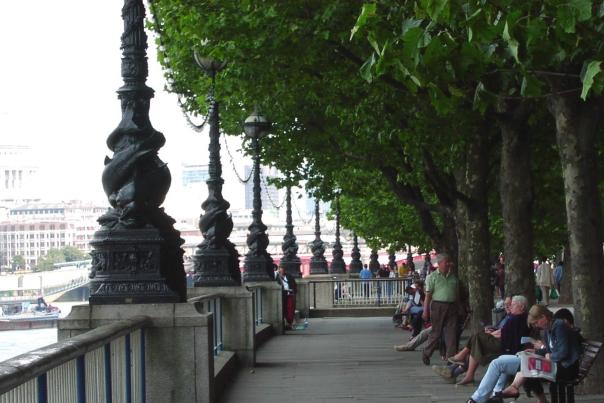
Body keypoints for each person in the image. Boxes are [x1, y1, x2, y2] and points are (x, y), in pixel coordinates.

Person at [466, 305, 582, 403]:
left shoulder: (559, 326)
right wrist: (537, 352)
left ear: (543, 317)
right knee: (523, 360)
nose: (536, 326)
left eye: (536, 322)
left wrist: (549, 356)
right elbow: (549, 349)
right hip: (557, 364)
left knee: (527, 364)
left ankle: (513, 388)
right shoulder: (548, 329)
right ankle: (512, 388)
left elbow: (562, 352)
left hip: (565, 367)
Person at [439, 295, 530, 386]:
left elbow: (503, 334)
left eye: (513, 304)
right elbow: (502, 331)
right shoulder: (514, 317)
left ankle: (460, 364)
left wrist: (490, 334)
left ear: (521, 307)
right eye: (508, 304)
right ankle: (461, 371)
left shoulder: (517, 318)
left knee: (477, 339)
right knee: (477, 341)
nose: (510, 306)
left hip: (506, 346)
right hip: (504, 342)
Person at [421, 252, 459, 365]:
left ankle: (450, 358)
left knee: (451, 333)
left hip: (452, 306)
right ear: (440, 263)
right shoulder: (432, 277)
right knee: (436, 332)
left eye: (449, 261)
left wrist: (459, 307)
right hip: (438, 306)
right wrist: (425, 311)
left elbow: (457, 294)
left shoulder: (453, 277)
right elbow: (428, 296)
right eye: (446, 262)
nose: (449, 264)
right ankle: (426, 353)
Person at [276, 265, 297, 330]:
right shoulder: (277, 278)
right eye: (280, 269)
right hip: (282, 295)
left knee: (290, 309)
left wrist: (293, 291)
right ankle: (287, 323)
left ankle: (289, 322)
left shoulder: (289, 276)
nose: (281, 271)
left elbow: (294, 285)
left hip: (289, 295)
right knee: (284, 309)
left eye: (282, 269)